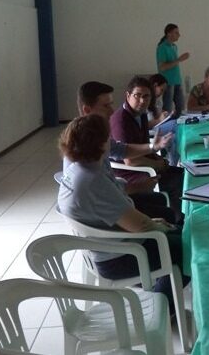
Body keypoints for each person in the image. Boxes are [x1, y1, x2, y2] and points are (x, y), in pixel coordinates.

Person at [57, 114, 187, 312]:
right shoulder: (92, 180)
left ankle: (162, 290)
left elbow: (130, 218)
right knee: (189, 248)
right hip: (119, 257)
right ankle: (161, 310)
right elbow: (140, 226)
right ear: (100, 144)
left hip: (106, 244)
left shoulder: (78, 167)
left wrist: (154, 222)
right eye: (108, 138)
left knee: (178, 229)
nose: (112, 142)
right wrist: (157, 224)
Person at [76, 81, 178, 223]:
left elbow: (120, 150)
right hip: (110, 218)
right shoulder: (85, 149)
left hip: (117, 194)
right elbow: (105, 194)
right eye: (106, 106)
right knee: (170, 216)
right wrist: (140, 187)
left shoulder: (97, 133)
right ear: (87, 110)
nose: (111, 111)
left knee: (164, 201)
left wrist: (152, 147)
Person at [110, 76, 184, 211]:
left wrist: (160, 159)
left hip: (144, 164)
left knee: (183, 174)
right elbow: (130, 161)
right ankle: (177, 219)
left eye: (146, 96)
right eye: (137, 96)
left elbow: (145, 147)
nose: (142, 100)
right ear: (128, 95)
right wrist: (157, 164)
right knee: (176, 182)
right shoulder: (120, 121)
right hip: (129, 172)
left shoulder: (141, 113)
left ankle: (180, 217)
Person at [156, 23, 189, 116]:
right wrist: (179, 59)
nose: (179, 35)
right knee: (168, 109)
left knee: (181, 108)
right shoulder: (162, 47)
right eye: (176, 32)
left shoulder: (174, 47)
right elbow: (162, 67)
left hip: (177, 81)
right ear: (169, 34)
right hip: (167, 82)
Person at [148, 73, 179, 166]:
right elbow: (145, 124)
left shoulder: (157, 100)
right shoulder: (145, 100)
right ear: (154, 85)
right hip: (150, 131)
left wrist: (166, 116)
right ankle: (173, 164)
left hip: (156, 126)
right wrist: (159, 119)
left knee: (174, 134)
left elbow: (157, 117)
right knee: (174, 125)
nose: (162, 93)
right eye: (161, 90)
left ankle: (173, 163)